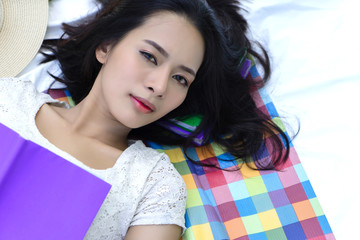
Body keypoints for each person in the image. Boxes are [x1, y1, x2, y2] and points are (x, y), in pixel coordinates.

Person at [0, 0, 291, 239]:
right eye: (150, 56)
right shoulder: (8, 97)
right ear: (106, 47)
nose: (160, 86)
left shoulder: (153, 184)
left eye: (180, 78)